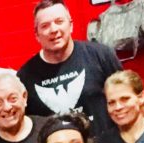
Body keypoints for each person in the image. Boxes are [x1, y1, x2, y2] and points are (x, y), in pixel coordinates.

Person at [17, 0, 122, 134]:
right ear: (36, 34)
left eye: (59, 21)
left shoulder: (101, 55)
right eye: (45, 26)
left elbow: (126, 98)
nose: (53, 30)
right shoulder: (25, 77)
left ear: (71, 25)